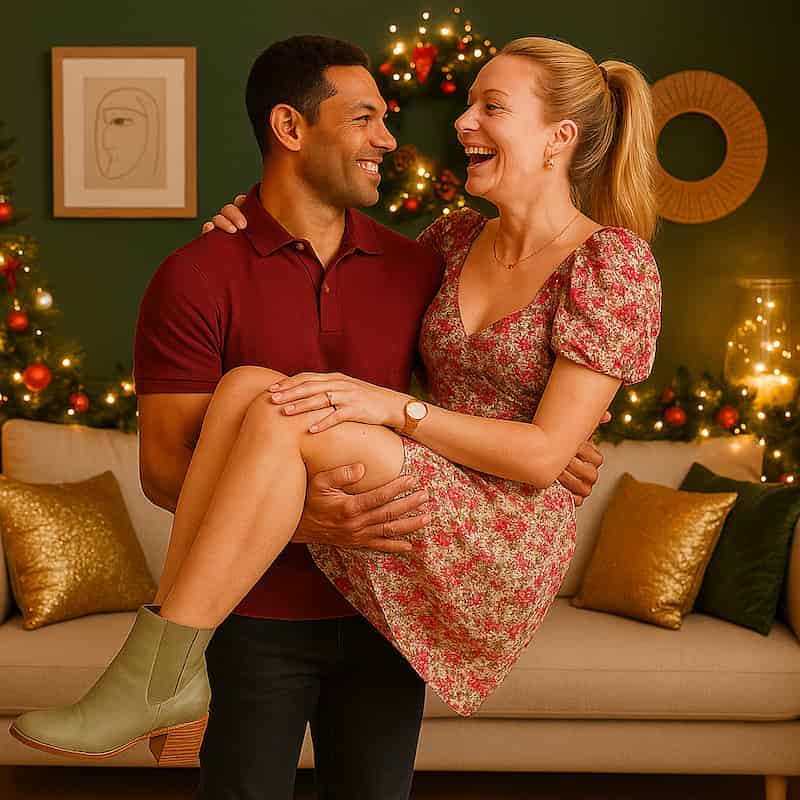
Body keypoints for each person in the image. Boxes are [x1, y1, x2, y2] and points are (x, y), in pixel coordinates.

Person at [8, 32, 660, 800]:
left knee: (288, 410)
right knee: (251, 383)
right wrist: (240, 232)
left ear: (560, 137)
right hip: (391, 520)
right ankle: (166, 671)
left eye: (492, 106)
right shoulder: (448, 244)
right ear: (290, 129)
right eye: (466, 103)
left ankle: (151, 669)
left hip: (496, 527)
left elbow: (546, 450)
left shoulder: (606, 261)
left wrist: (436, 417)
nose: (457, 123)